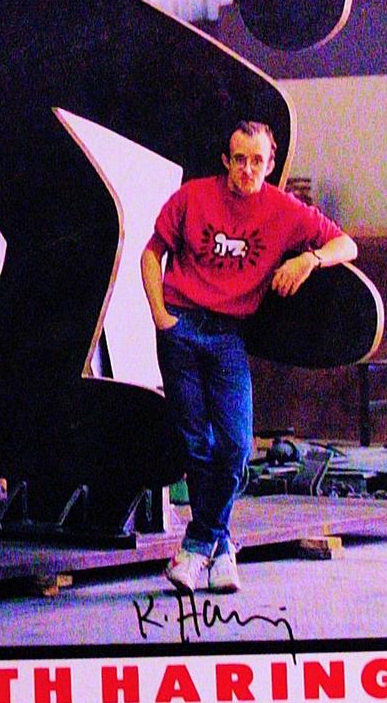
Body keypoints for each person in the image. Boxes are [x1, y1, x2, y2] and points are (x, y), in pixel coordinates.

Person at [141, 120, 357, 593]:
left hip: (228, 335)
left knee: (237, 446)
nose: (248, 169)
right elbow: (151, 254)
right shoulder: (192, 197)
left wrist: (309, 259)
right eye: (239, 159)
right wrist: (161, 317)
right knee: (195, 445)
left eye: (257, 160)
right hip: (181, 325)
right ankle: (219, 552)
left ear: (270, 164)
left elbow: (347, 244)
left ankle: (201, 546)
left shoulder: (284, 210)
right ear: (226, 160)